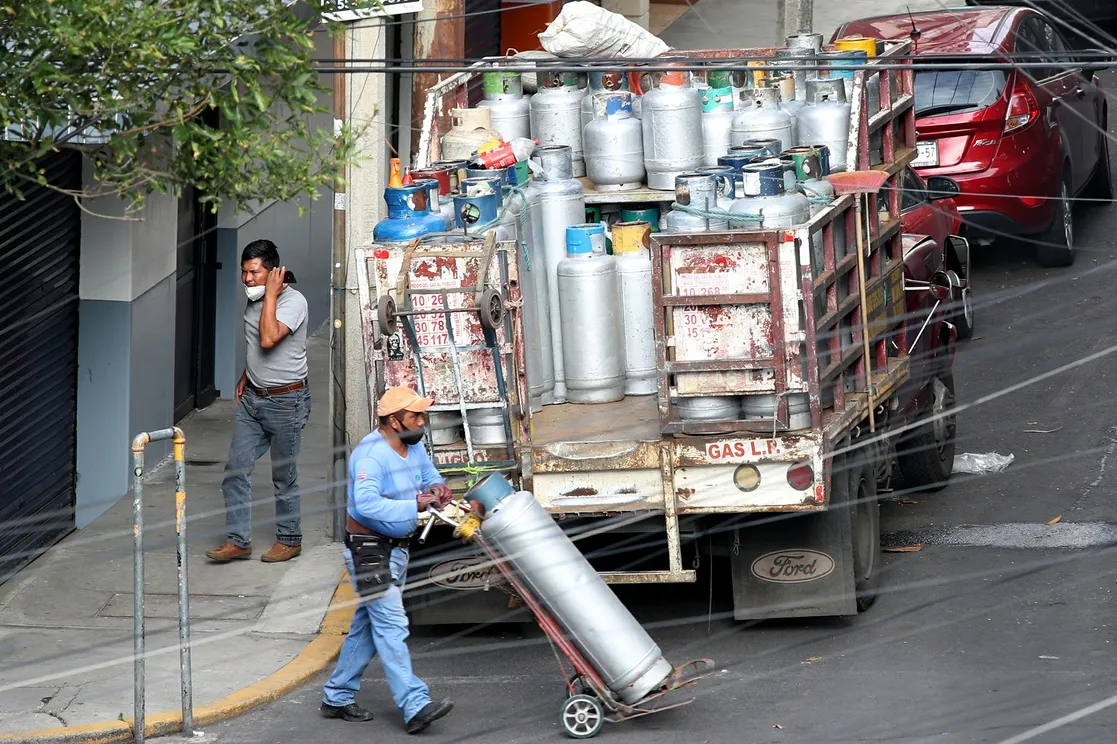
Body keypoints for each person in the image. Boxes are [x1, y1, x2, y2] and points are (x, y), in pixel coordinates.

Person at [320, 386, 455, 734]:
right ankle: (415, 705)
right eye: (415, 417)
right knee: (392, 625)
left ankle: (336, 696)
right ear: (394, 421)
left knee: (368, 626)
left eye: (422, 416)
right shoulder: (370, 456)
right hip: (369, 550)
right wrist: (415, 505)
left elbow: (428, 477)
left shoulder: (412, 444)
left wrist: (438, 489)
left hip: (397, 549)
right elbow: (365, 505)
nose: (422, 422)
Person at [207, 239, 310, 564]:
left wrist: (270, 296)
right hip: (254, 399)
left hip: (287, 401)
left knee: (283, 475)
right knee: (236, 469)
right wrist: (246, 374)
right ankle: (239, 541)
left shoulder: (294, 302)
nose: (247, 279)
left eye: (254, 272)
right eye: (244, 273)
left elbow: (268, 338)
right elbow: (257, 348)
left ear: (274, 273)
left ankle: (290, 539)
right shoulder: (255, 302)